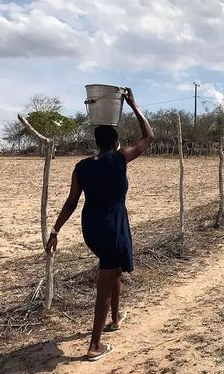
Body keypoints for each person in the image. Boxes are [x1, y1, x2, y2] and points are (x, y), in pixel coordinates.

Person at [46, 88, 154, 361]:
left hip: (91, 228)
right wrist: (133, 104)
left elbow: (71, 203)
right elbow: (149, 137)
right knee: (105, 282)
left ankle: (116, 318)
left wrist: (55, 230)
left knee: (113, 269)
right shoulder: (119, 159)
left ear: (96, 143)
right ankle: (95, 345)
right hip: (112, 227)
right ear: (116, 142)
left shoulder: (82, 166)